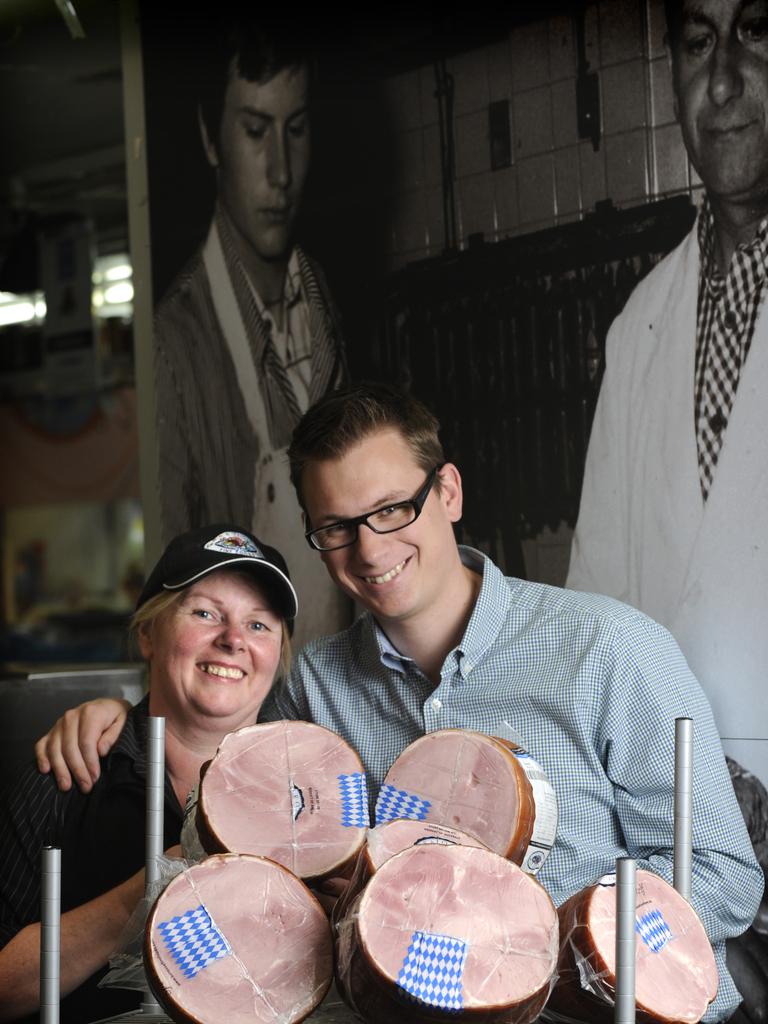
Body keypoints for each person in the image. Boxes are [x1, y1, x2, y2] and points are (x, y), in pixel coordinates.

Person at [35, 383, 763, 1023]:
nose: (370, 549)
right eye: (337, 528)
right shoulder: (313, 686)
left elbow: (722, 876)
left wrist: (558, 949)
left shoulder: (609, 646)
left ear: (447, 492)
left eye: (391, 509)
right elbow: (246, 815)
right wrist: (120, 711)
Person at [566, 0, 768, 793]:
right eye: (697, 42)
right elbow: (596, 613)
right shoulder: (639, 327)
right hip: (676, 832)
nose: (722, 83)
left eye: (755, 31)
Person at [0, 524, 297, 1023]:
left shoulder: (305, 795)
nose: (232, 640)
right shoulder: (69, 773)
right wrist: (144, 898)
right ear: (147, 634)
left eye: (259, 625)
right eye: (205, 613)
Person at [149, 10, 349, 648]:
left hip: (339, 689)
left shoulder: (323, 307)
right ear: (211, 138)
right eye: (255, 130)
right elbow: (162, 603)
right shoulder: (174, 343)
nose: (281, 170)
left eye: (296, 129)